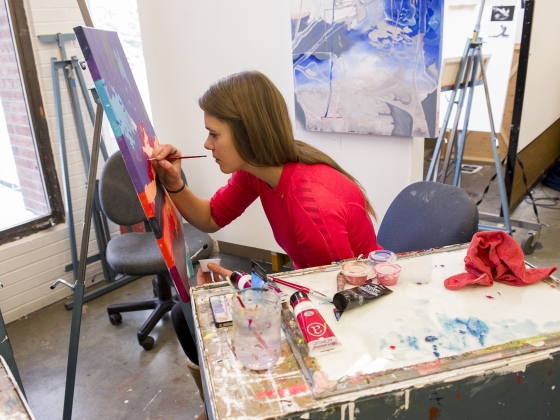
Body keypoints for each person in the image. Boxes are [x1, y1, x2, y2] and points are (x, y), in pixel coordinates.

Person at [150, 70, 382, 418]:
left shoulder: (310, 204)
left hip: (347, 306)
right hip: (311, 283)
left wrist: (246, 287)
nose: (207, 145)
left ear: (248, 133)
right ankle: (213, 405)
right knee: (184, 316)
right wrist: (174, 181)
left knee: (201, 322)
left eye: (214, 134)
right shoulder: (256, 173)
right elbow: (210, 217)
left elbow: (338, 302)